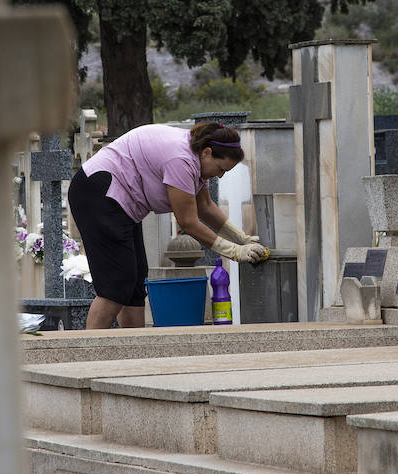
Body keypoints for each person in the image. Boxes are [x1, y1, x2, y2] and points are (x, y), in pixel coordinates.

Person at [68, 121, 266, 330]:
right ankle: (87, 351)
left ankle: (134, 351)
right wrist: (234, 251)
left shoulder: (195, 156)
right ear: (208, 152)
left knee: (135, 283)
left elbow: (205, 206)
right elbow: (188, 222)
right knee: (116, 284)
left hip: (121, 201)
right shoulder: (180, 159)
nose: (220, 175)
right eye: (220, 168)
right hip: (98, 192)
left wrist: (241, 238)